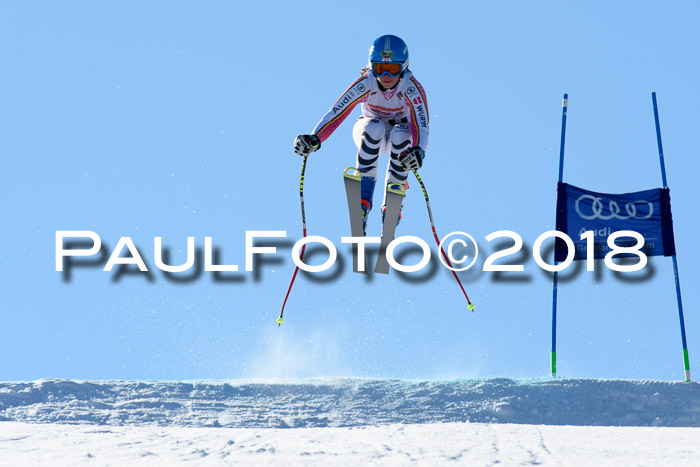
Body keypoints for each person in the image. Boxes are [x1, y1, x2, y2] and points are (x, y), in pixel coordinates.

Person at [293, 34, 429, 233]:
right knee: (375, 126)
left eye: (393, 70)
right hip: (369, 132)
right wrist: (315, 138)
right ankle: (362, 203)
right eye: (380, 69)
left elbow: (421, 125)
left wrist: (418, 151)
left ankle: (394, 197)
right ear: (372, 67)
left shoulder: (411, 88)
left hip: (399, 140)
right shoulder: (366, 84)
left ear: (404, 68)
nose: (387, 77)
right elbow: (337, 112)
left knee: (401, 132)